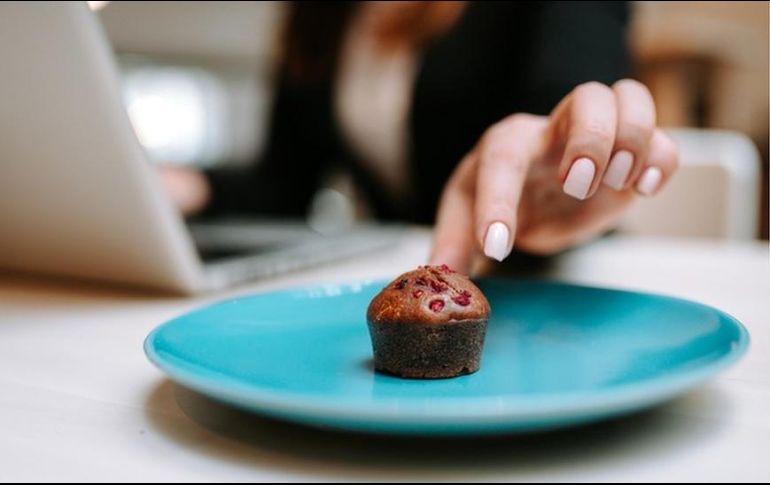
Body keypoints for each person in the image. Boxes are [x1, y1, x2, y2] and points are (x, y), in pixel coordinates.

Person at [161, 1, 678, 274]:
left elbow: (565, 103)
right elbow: (286, 182)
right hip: (411, 272)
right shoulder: (318, 15)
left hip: (561, 277)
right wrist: (189, 186)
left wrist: (560, 155)